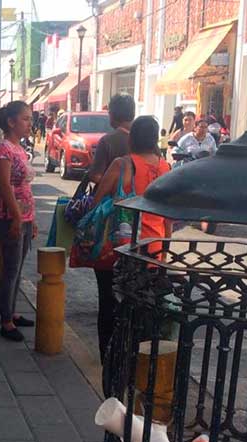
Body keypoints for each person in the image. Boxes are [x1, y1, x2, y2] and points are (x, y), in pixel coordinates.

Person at [88, 116, 171, 363]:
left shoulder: (122, 165)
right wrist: (165, 249)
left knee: (110, 304)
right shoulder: (166, 168)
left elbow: (96, 202)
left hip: (120, 249)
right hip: (153, 249)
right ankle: (135, 360)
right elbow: (169, 218)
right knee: (143, 308)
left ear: (132, 137)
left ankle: (109, 360)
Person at [0, 101, 37, 342]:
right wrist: (17, 217)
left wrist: (31, 219)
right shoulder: (3, 149)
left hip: (25, 217)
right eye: (26, 119)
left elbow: (25, 187)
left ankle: (12, 310)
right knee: (9, 269)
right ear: (11, 122)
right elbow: (5, 186)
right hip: (9, 217)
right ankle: (5, 320)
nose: (30, 123)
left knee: (18, 268)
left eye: (30, 119)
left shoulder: (19, 148)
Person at [89, 94, 136, 186]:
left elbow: (96, 176)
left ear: (112, 115)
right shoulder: (145, 138)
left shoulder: (107, 141)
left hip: (113, 197)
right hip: (140, 197)